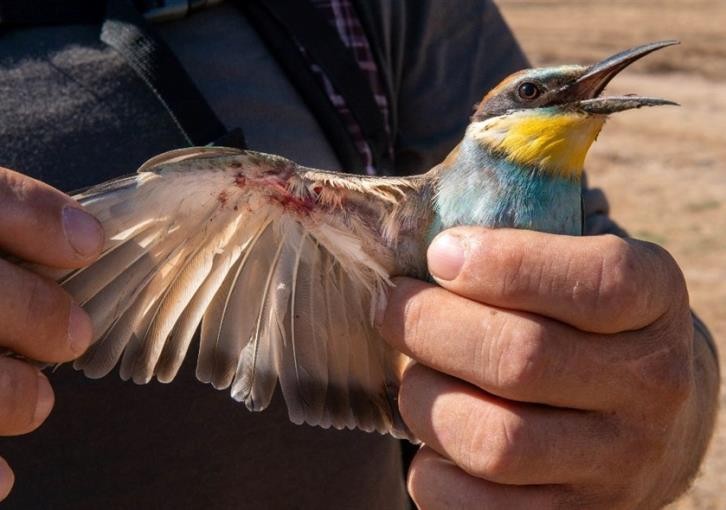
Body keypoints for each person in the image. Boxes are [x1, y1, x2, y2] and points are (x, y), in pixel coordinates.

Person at [0, 1, 718, 508]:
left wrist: (659, 416)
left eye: (571, 94)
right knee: (224, 187)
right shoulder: (374, 213)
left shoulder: (382, 13)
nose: (567, 99)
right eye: (539, 94)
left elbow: (638, 337)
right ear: (501, 118)